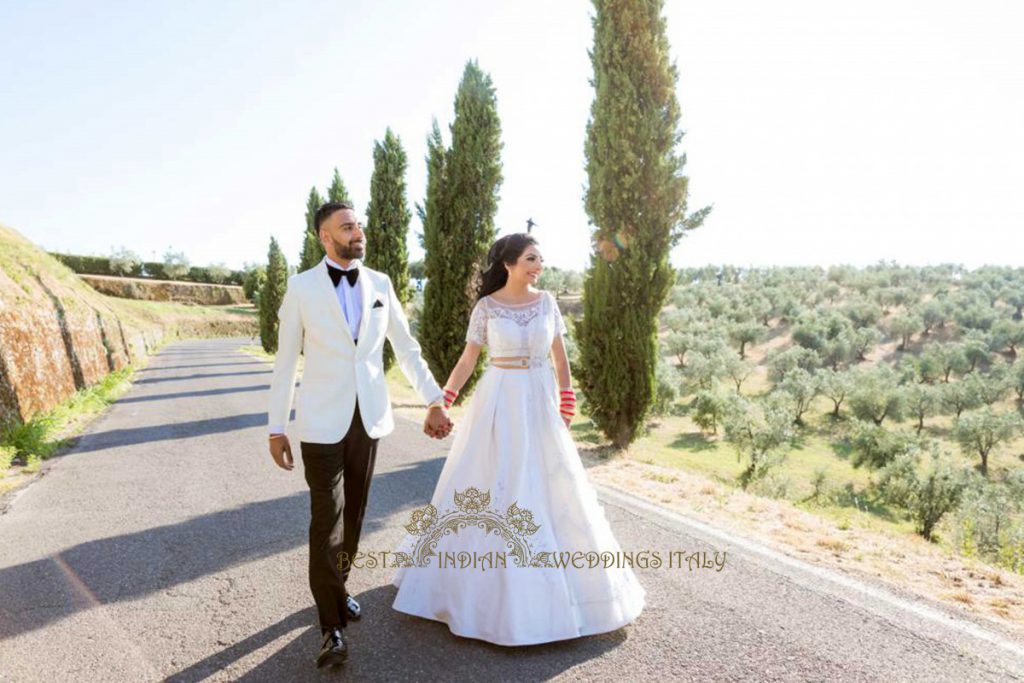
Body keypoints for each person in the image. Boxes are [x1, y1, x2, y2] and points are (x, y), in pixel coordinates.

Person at [390, 232, 645, 646]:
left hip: (541, 401)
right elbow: (469, 358)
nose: (537, 266)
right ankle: (478, 599)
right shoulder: (486, 308)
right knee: (494, 481)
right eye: (530, 258)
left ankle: (572, 599)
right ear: (508, 263)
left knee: (552, 485)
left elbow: (560, 356)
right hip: (499, 401)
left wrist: (567, 400)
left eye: (540, 259)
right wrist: (445, 400)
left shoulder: (547, 303)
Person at [267, 201, 453, 669]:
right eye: (347, 227)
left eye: (359, 225)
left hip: (367, 419)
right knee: (325, 520)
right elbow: (286, 361)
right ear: (325, 237)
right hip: (319, 423)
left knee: (354, 520)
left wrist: (434, 398)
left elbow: (406, 348)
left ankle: (340, 587)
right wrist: (276, 426)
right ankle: (331, 628)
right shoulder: (301, 287)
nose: (358, 232)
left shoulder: (381, 285)